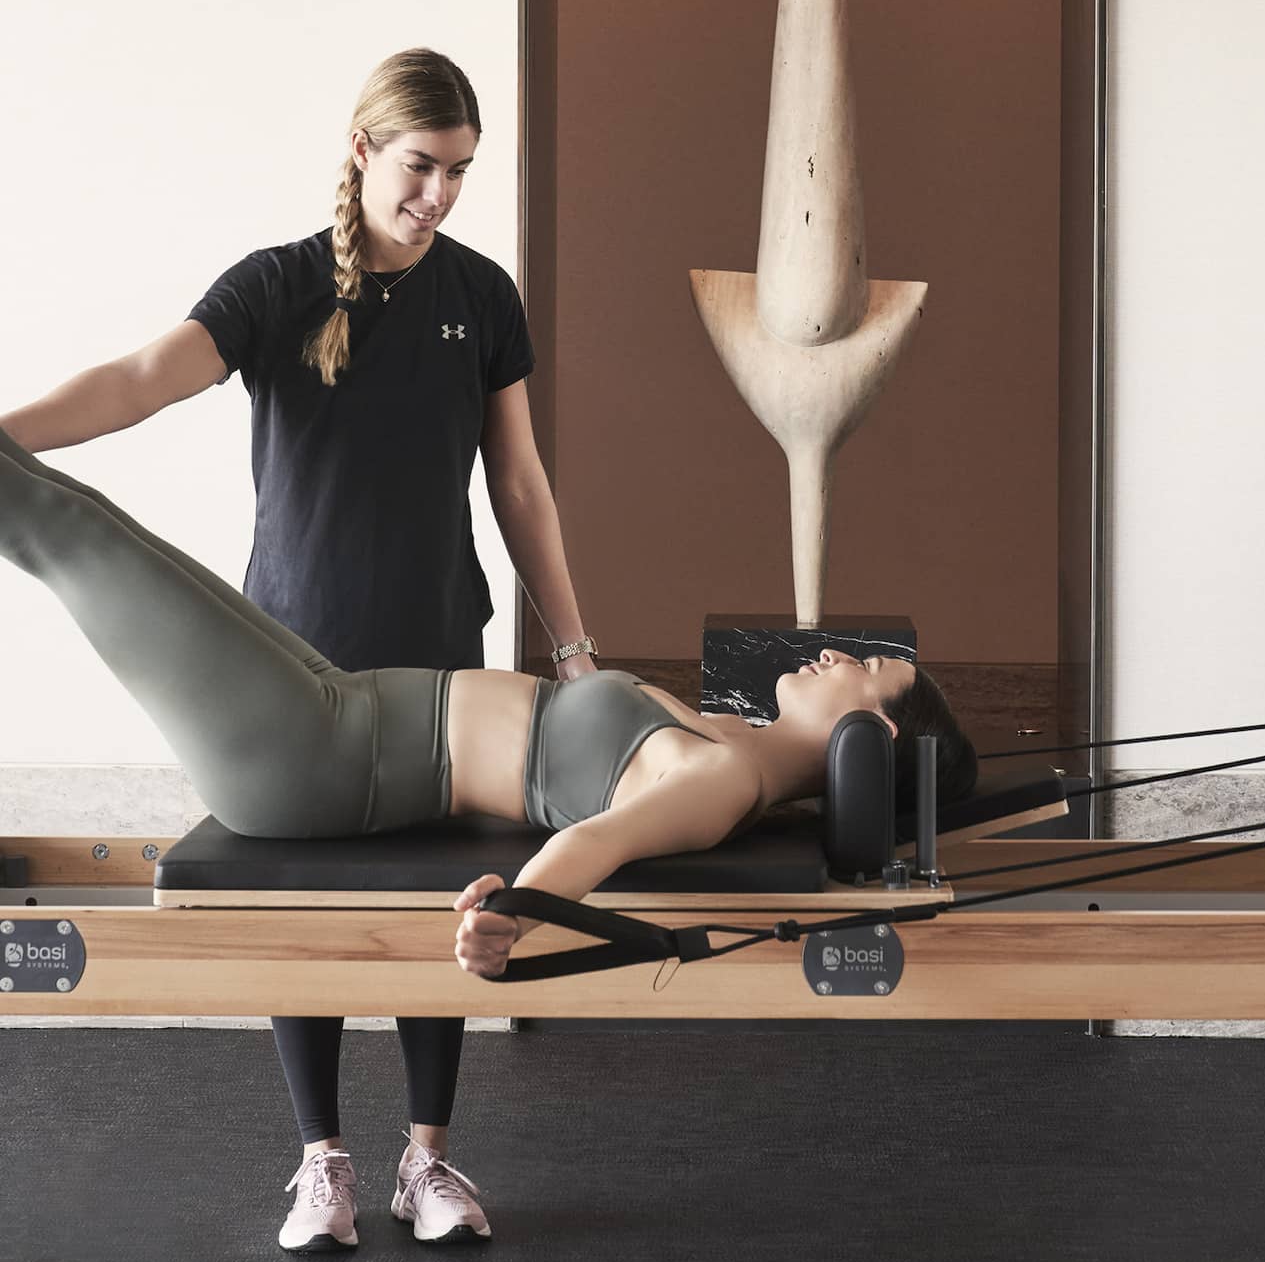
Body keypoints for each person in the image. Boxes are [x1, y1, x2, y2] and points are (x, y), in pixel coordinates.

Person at [0, 48, 596, 1254]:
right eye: (421, 165)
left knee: (453, 897)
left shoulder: (482, 296)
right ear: (366, 149)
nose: (438, 194)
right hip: (291, 655)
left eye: (461, 172)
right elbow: (138, 380)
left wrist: (575, 647)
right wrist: (3, 435)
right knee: (299, 906)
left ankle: (427, 1161)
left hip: (441, 651)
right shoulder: (275, 287)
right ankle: (320, 1159)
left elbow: (520, 482)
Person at [0, 414, 977, 992]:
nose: (839, 651)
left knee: (60, 528)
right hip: (334, 702)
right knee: (64, 502)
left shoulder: (718, 778)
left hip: (307, 754)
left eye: (868, 667)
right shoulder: (733, 738)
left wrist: (511, 917)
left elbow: (595, 845)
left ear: (870, 733)